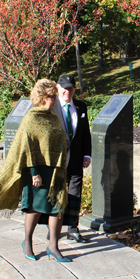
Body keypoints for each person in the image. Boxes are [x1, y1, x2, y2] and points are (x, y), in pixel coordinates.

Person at [0, 79, 71, 262]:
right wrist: (34, 173)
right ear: (41, 98)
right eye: (52, 96)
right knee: (36, 208)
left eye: (55, 96)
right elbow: (26, 147)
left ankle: (53, 247)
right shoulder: (31, 118)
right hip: (38, 171)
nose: (55, 100)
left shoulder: (53, 117)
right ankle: (27, 242)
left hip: (56, 170)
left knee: (57, 208)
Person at [52, 74, 92, 243]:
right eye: (64, 89)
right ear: (57, 89)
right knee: (56, 196)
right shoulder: (51, 107)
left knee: (75, 195)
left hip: (76, 160)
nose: (67, 92)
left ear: (74, 90)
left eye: (70, 89)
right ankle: (53, 229)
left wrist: (87, 154)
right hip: (57, 161)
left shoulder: (81, 107)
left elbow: (85, 134)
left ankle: (73, 229)